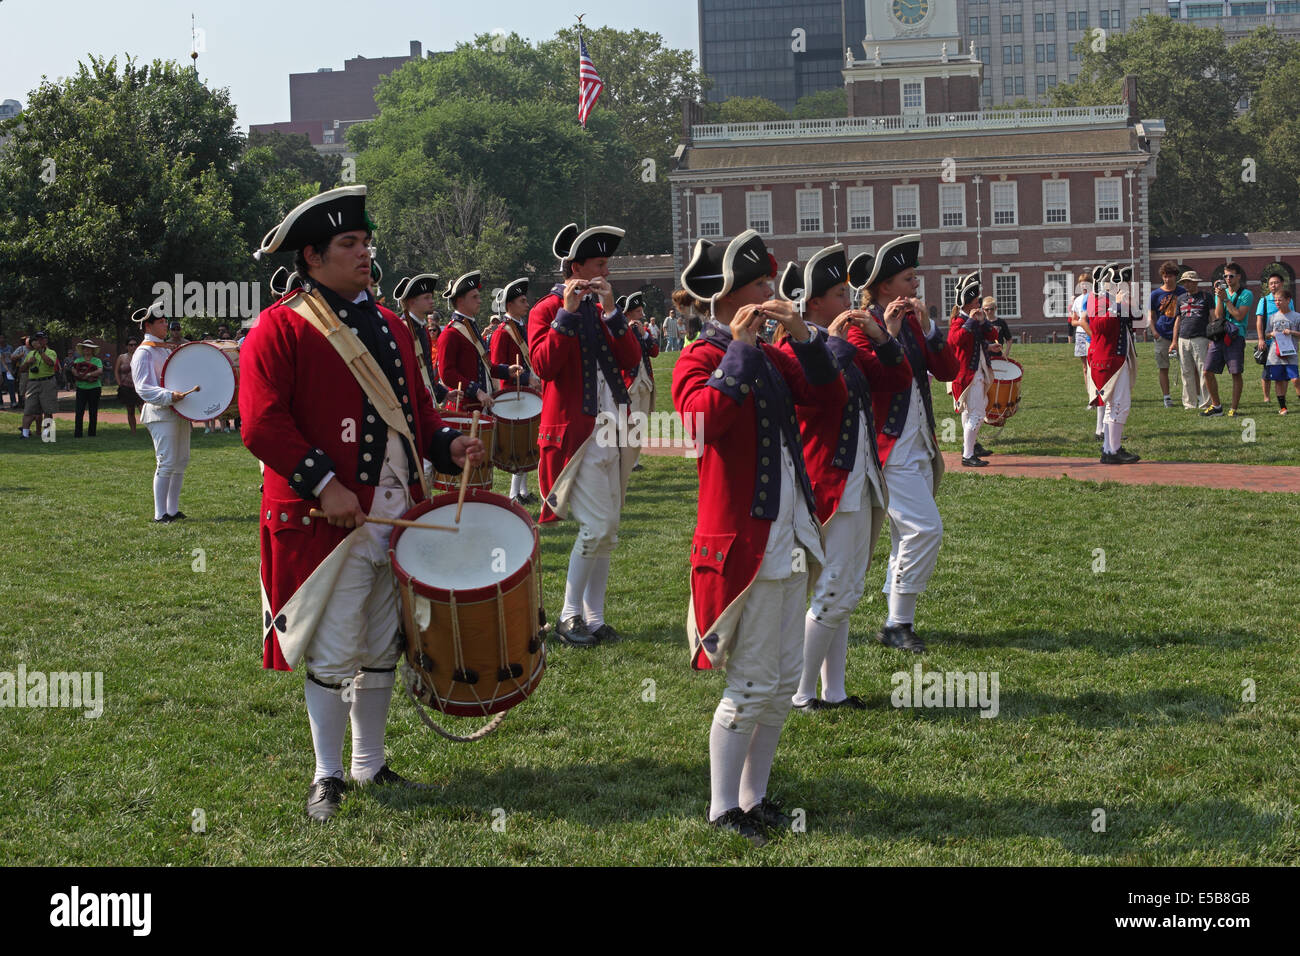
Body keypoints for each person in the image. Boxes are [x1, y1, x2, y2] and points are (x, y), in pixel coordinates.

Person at [242, 185, 485, 821]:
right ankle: (326, 776)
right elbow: (261, 423)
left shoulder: (391, 325)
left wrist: (448, 446)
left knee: (382, 645)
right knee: (333, 649)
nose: (363, 251)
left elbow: (416, 413)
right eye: (349, 243)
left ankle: (369, 765)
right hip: (330, 518)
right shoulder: (280, 326)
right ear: (312, 258)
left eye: (365, 240)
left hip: (395, 513)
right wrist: (326, 483)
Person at [671, 229, 846, 846]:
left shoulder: (773, 356)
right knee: (748, 683)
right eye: (757, 285)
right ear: (726, 297)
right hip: (744, 542)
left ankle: (755, 796)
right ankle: (724, 808)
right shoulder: (697, 358)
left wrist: (804, 337)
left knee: (779, 681)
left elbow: (830, 397)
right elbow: (705, 422)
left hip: (790, 531)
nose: (771, 292)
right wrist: (740, 349)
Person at [775, 245, 909, 712]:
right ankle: (801, 691)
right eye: (836, 293)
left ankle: (832, 690)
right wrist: (833, 341)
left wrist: (883, 335)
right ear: (812, 304)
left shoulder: (841, 342)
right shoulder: (792, 348)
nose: (847, 299)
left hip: (860, 478)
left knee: (847, 589)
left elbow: (897, 378)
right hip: (828, 483)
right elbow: (822, 395)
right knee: (834, 588)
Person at [528, 222, 642, 648]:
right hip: (578, 435)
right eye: (598, 264)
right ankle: (568, 615)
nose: (605, 271)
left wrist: (613, 313)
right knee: (597, 528)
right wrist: (567, 314)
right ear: (576, 266)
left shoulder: (602, 308)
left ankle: (593, 617)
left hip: (613, 427)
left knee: (608, 531)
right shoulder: (547, 310)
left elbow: (631, 359)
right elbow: (543, 366)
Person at [850, 235, 959, 654]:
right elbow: (881, 379)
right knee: (925, 529)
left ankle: (898, 621)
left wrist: (929, 326)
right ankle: (896, 621)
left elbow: (948, 370)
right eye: (908, 278)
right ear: (883, 287)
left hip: (919, 443)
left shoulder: (915, 320)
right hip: (886, 446)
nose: (916, 285)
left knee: (906, 534)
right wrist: (888, 335)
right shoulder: (862, 325)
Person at [131, 302, 192, 520]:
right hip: (159, 412)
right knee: (166, 461)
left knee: (181, 461)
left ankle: (173, 510)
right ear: (148, 325)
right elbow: (143, 387)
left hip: (178, 411)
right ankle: (160, 514)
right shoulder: (144, 353)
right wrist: (169, 396)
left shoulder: (165, 349)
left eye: (166, 321)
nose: (166, 325)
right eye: (161, 322)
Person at [437, 272, 520, 413]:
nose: (480, 301)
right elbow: (447, 374)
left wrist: (506, 371)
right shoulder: (450, 333)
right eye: (474, 297)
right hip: (463, 410)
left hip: (480, 408)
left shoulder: (471, 328)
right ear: (460, 301)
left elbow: (484, 367)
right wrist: (476, 391)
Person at [489, 277, 536, 504]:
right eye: (522, 300)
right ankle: (513, 493)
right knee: (518, 445)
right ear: (510, 306)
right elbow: (499, 366)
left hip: (526, 391)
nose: (527, 304)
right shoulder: (502, 331)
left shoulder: (520, 328)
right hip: (513, 394)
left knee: (528, 444)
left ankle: (524, 491)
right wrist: (528, 377)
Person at [948, 273, 1002, 467]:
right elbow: (955, 341)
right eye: (977, 301)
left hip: (978, 372)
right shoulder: (958, 321)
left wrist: (983, 323)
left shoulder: (974, 319)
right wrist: (971, 322)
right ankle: (968, 454)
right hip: (967, 376)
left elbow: (993, 334)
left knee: (971, 413)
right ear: (969, 303)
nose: (979, 304)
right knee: (977, 414)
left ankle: (969, 449)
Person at [1088, 265, 1140, 464]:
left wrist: (1126, 302)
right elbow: (1099, 326)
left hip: (1118, 357)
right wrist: (1116, 307)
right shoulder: (1098, 300)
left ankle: (1109, 448)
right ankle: (1113, 449)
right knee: (1119, 404)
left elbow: (1138, 317)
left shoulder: (1112, 300)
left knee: (1114, 405)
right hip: (1109, 359)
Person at [617, 291, 659, 474]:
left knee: (640, 423)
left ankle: (635, 460)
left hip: (645, 383)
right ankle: (626, 460)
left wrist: (644, 335)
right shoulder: (621, 331)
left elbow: (655, 351)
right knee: (629, 424)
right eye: (638, 312)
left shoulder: (644, 330)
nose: (642, 315)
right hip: (630, 384)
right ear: (628, 314)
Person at [1205, 264, 1250, 417]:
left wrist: (1226, 301)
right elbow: (1218, 316)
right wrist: (1219, 298)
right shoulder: (1222, 294)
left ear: (1238, 277)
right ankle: (1216, 406)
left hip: (1236, 336)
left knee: (1235, 373)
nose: (1228, 279)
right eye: (1225, 276)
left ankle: (1233, 408)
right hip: (1220, 335)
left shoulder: (1246, 294)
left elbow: (1239, 316)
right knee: (1207, 371)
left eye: (1231, 276)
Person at [1169, 270, 1212, 410]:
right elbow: (1177, 320)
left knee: (1203, 371)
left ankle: (1206, 402)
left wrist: (1213, 338)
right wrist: (1174, 341)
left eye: (1188, 281)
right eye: (1184, 282)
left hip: (1201, 338)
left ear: (1195, 282)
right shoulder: (1180, 299)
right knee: (1186, 372)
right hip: (1183, 338)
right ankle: (1189, 403)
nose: (1186, 284)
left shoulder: (1206, 297)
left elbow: (1213, 318)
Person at [1147, 260, 1181, 408]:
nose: (1167, 279)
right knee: (1163, 367)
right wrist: (1154, 332)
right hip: (1161, 334)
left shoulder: (1182, 292)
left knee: (1187, 367)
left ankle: (1192, 396)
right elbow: (1151, 315)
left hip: (1180, 335)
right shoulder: (1155, 294)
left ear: (1175, 276)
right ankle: (1167, 397)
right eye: (1165, 276)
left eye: (1170, 276)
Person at [1263, 285, 1300, 414]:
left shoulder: (1296, 316)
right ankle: (1283, 407)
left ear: (1288, 300)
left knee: (1295, 379)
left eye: (1280, 300)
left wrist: (1292, 332)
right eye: (1276, 300)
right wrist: (1271, 334)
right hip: (1275, 355)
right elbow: (1266, 333)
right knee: (1279, 381)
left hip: (1291, 353)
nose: (1277, 302)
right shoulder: (1272, 317)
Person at [18, 330, 59, 439]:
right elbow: (21, 370)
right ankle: (25, 434)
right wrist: (27, 363)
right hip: (33, 383)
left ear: (46, 340)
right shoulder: (30, 354)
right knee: (29, 409)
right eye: (37, 339)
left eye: (42, 339)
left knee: (48, 409)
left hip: (48, 382)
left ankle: (46, 434)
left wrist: (40, 351)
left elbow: (50, 363)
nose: (39, 341)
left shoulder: (51, 352)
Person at [1256, 272, 1287, 403]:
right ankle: (1266, 397)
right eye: (1271, 283)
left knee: (1283, 370)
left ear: (1282, 284)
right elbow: (1259, 320)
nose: (1274, 285)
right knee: (1267, 371)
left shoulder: (1287, 300)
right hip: (1269, 341)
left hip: (1284, 341)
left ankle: (1281, 396)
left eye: (1276, 282)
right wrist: (1261, 339)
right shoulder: (1263, 301)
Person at [72, 340, 103, 438]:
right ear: (82, 350)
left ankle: (92, 433)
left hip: (95, 388)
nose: (87, 350)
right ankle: (78, 433)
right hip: (81, 388)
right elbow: (73, 369)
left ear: (92, 350)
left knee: (93, 411)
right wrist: (79, 375)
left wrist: (89, 374)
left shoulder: (97, 361)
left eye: (89, 348)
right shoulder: (77, 361)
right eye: (85, 348)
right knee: (79, 410)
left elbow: (100, 370)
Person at [115, 338, 141, 433]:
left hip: (138, 387)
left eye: (135, 344)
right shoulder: (122, 357)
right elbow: (116, 371)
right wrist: (120, 384)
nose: (133, 346)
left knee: (143, 409)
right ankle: (133, 432)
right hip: (126, 387)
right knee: (130, 411)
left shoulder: (141, 356)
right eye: (130, 345)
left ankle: (150, 430)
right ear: (127, 346)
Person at [0, 334, 16, 409]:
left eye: (2, 338)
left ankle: (13, 402)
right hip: (0, 370)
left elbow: (13, 358)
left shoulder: (10, 347)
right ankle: (1, 403)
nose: (1, 340)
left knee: (11, 385)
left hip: (8, 370)